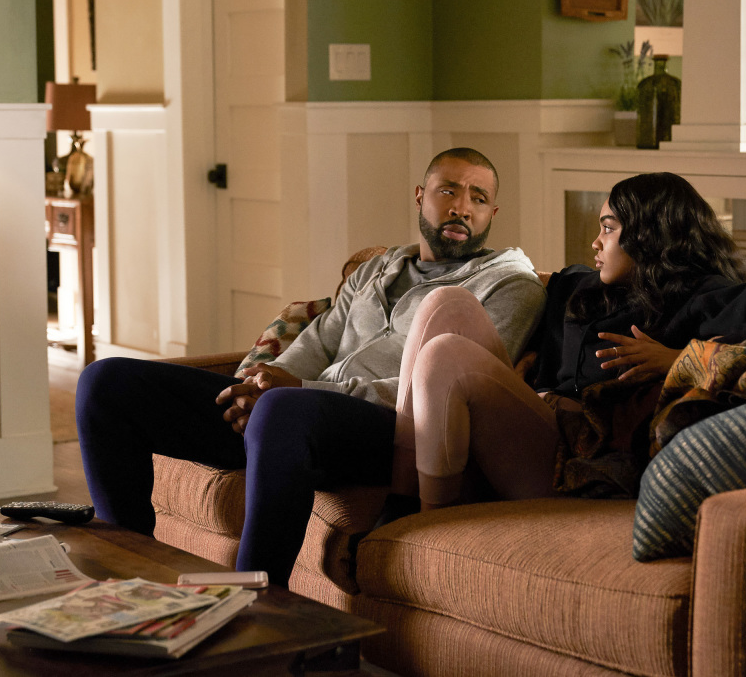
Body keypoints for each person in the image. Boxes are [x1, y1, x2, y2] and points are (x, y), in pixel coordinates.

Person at [75, 147, 546, 586]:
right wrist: (263, 384)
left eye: (478, 198)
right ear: (421, 197)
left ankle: (254, 602)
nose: (462, 208)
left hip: (396, 432)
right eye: (449, 191)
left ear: (492, 214)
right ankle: (127, 577)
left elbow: (453, 388)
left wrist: (297, 390)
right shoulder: (376, 270)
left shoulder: (509, 285)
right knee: (107, 382)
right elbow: (318, 342)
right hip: (295, 418)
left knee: (282, 410)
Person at [393, 171, 746, 510]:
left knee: (445, 354)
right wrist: (532, 355)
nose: (596, 242)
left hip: (574, 460)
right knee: (447, 302)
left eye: (608, 228)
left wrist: (680, 358)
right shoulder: (579, 287)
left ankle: (423, 518)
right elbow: (540, 335)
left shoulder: (706, 296)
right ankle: (401, 492)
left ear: (649, 235)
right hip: (527, 424)